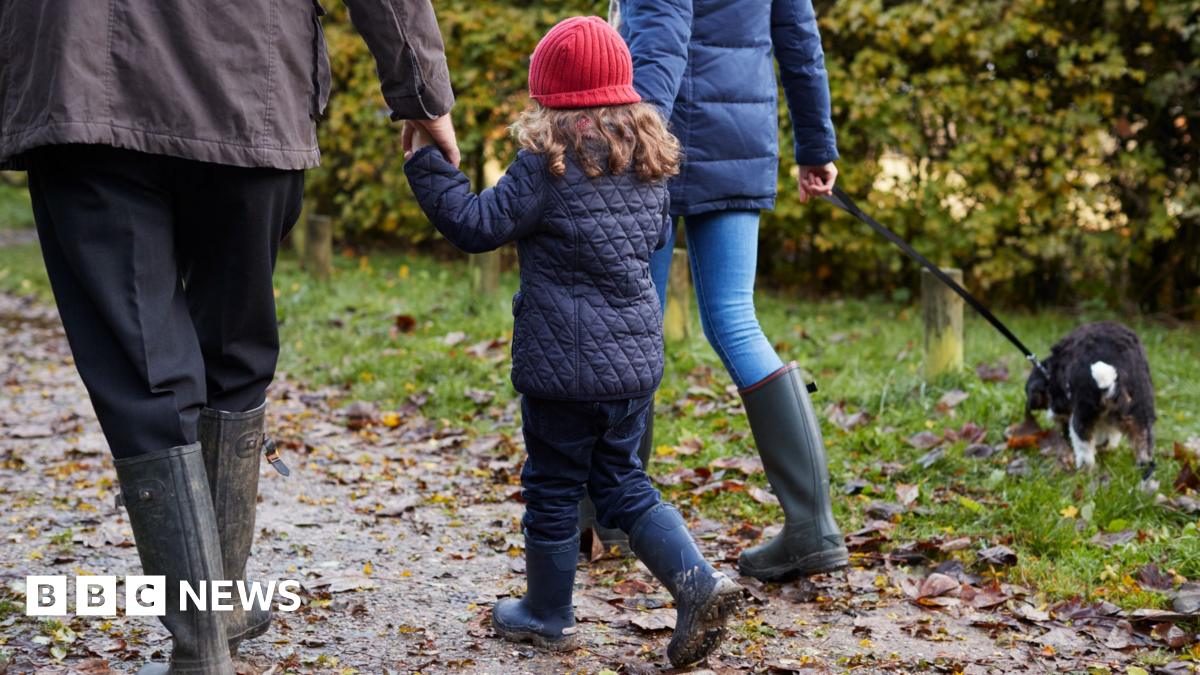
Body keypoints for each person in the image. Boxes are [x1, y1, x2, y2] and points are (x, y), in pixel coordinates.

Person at [0, 2, 457, 672]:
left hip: (84, 80)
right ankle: (214, 617)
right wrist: (419, 88)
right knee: (233, 350)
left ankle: (202, 641)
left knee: (143, 373)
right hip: (246, 74)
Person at [403, 17, 743, 668]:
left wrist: (426, 165)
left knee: (555, 485)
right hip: (633, 366)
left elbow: (477, 226)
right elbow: (645, 244)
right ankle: (697, 582)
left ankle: (548, 613)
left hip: (564, 369)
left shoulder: (545, 164)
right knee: (624, 481)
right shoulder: (650, 160)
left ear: (548, 97)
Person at [606, 0, 848, 582]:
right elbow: (799, 39)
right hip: (739, 144)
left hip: (656, 146)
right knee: (736, 319)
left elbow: (660, 35)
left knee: (631, 316)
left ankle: (612, 510)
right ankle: (813, 525)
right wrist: (815, 145)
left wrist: (640, 140)